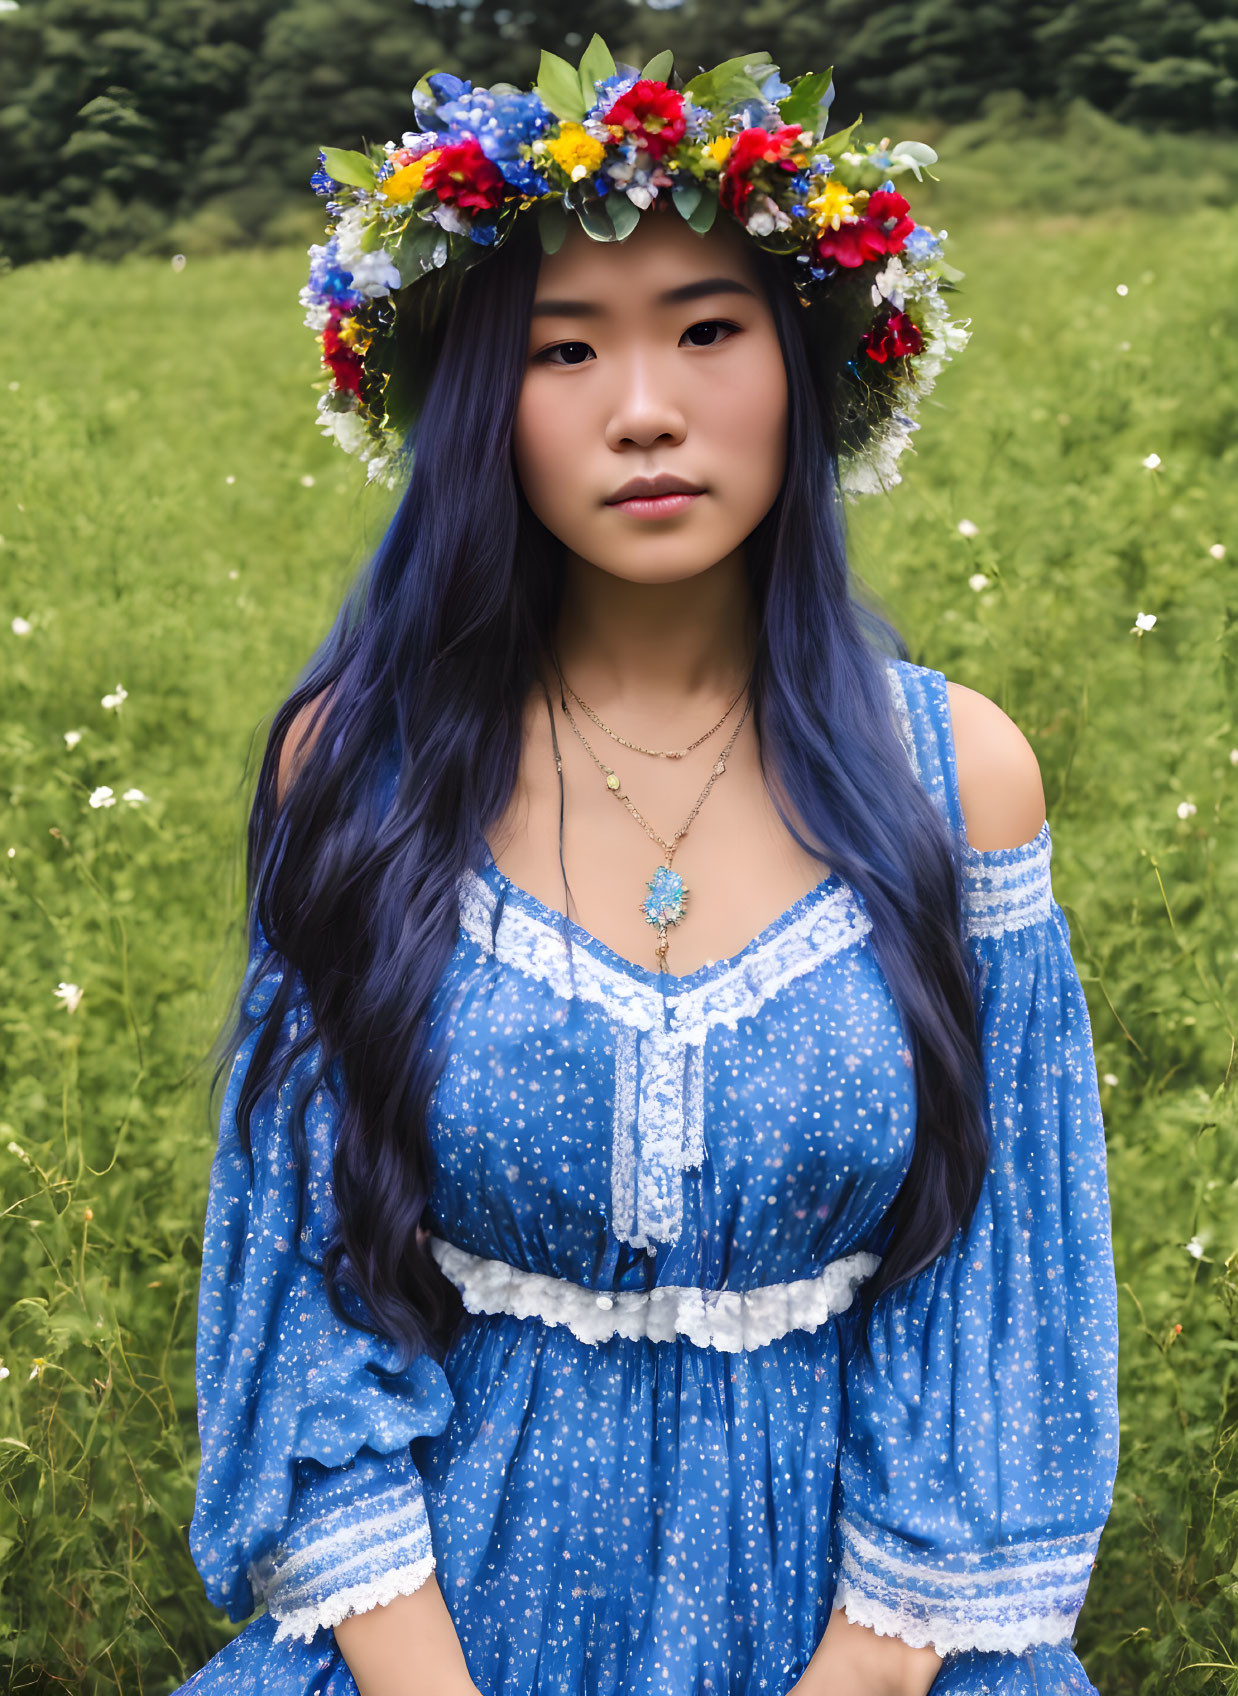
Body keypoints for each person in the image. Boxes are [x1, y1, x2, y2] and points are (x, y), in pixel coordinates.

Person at [174, 41, 1119, 1696]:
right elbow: (305, 1294)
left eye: (706, 328)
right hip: (439, 1627)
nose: (643, 411)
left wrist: (870, 1669)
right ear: (479, 405)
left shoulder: (953, 775)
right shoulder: (361, 768)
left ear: (808, 363)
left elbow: (993, 1292)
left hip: (861, 1637)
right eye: (562, 348)